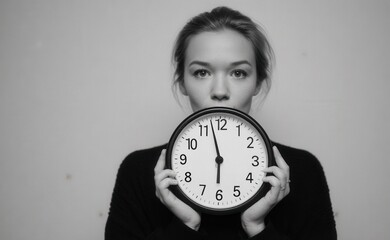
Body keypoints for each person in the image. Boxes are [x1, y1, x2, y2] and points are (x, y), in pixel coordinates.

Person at [105, 6, 336, 240]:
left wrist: (257, 228)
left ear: (258, 82)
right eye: (201, 72)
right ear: (182, 82)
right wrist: (185, 226)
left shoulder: (304, 171)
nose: (219, 91)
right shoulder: (137, 171)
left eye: (238, 73)